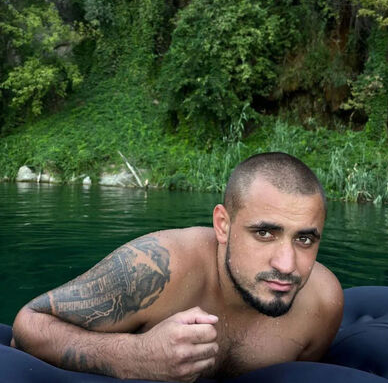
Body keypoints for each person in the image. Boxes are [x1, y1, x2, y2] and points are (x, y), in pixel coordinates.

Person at [12, 152, 343, 382]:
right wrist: (134, 355)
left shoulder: (322, 304)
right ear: (223, 225)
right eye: (264, 233)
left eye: (304, 239)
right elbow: (29, 324)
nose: (286, 265)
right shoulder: (156, 269)